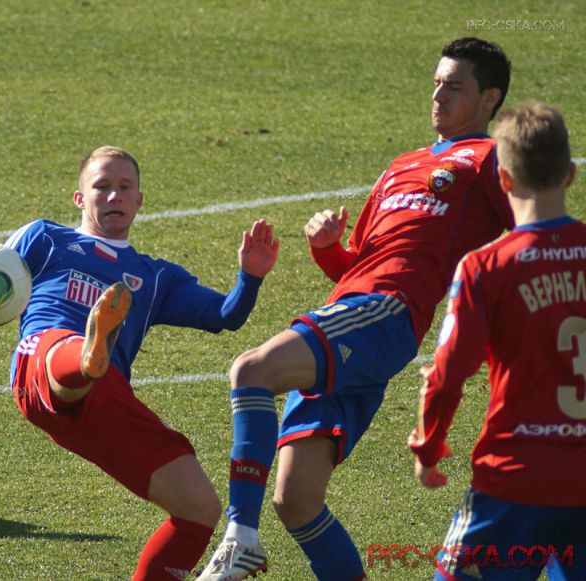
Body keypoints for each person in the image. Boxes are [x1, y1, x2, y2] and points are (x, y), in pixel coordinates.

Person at [198, 38, 514, 580]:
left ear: (489, 99)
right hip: (351, 316)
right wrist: (327, 247)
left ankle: (239, 536)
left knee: (250, 370)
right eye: (437, 83)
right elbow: (357, 263)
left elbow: (529, 232)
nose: (438, 96)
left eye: (455, 87)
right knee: (296, 500)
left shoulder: (489, 159)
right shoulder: (401, 165)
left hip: (386, 314)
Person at [0, 146, 280, 579]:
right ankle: (87, 355)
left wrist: (250, 277)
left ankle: (92, 358)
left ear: (139, 200)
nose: (114, 196)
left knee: (199, 506)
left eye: (125, 187)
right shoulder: (46, 238)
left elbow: (225, 315)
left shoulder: (155, 276)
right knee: (67, 346)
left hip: (106, 401)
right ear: (80, 198)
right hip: (41, 366)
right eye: (102, 187)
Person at [408, 104, 585, 580]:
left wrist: (429, 446)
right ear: (570, 175)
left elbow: (446, 375)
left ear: (503, 179)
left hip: (515, 478)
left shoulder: (485, 268)